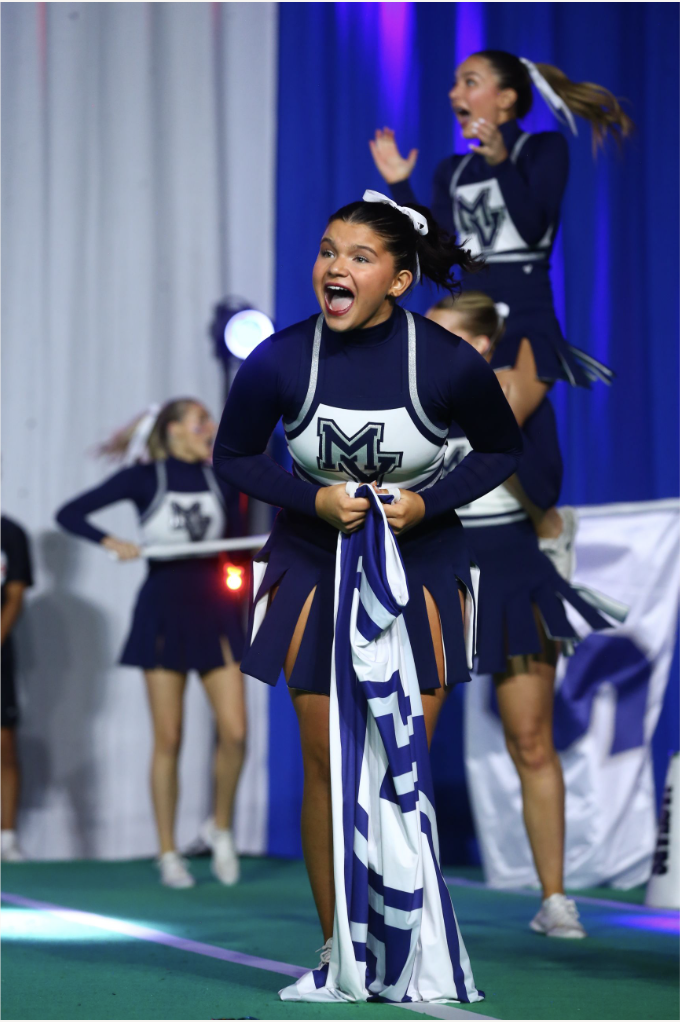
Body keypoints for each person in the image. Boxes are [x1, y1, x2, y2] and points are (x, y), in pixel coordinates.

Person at [213, 191, 522, 970]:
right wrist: (309, 498)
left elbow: (499, 449)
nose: (335, 268)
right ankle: (340, 945)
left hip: (422, 562)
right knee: (325, 755)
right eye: (327, 251)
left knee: (399, 753)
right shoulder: (279, 359)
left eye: (359, 256)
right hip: (312, 559)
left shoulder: (446, 361)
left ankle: (405, 937)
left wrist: (427, 502)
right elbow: (236, 457)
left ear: (400, 279)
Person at [370, 50, 633, 576]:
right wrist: (402, 187)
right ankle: (543, 525)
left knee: (499, 420)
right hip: (473, 322)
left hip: (529, 321)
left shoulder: (544, 149)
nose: (453, 94)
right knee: (502, 432)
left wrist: (498, 162)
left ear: (507, 98)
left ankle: (545, 523)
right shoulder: (452, 168)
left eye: (470, 82)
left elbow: (534, 226)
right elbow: (442, 250)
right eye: (453, 83)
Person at [428, 291, 623, 938]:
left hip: (513, 570)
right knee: (409, 740)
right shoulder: (413, 400)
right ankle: (402, 887)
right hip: (441, 569)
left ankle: (555, 897)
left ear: (482, 345)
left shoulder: (518, 398)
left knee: (532, 740)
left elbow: (544, 490)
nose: (424, 343)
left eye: (442, 333)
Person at [56, 399, 246, 888]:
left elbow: (242, 541)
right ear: (175, 431)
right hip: (162, 610)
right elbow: (69, 513)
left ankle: (219, 827)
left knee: (236, 732)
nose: (211, 427)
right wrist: (110, 542)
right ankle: (167, 852)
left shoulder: (222, 477)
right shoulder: (144, 478)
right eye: (201, 420)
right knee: (170, 737)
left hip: (216, 612)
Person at [1, 515, 34, 862]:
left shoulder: (10, 532)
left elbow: (15, 595)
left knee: (4, 743)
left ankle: (7, 838)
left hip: (0, 654)